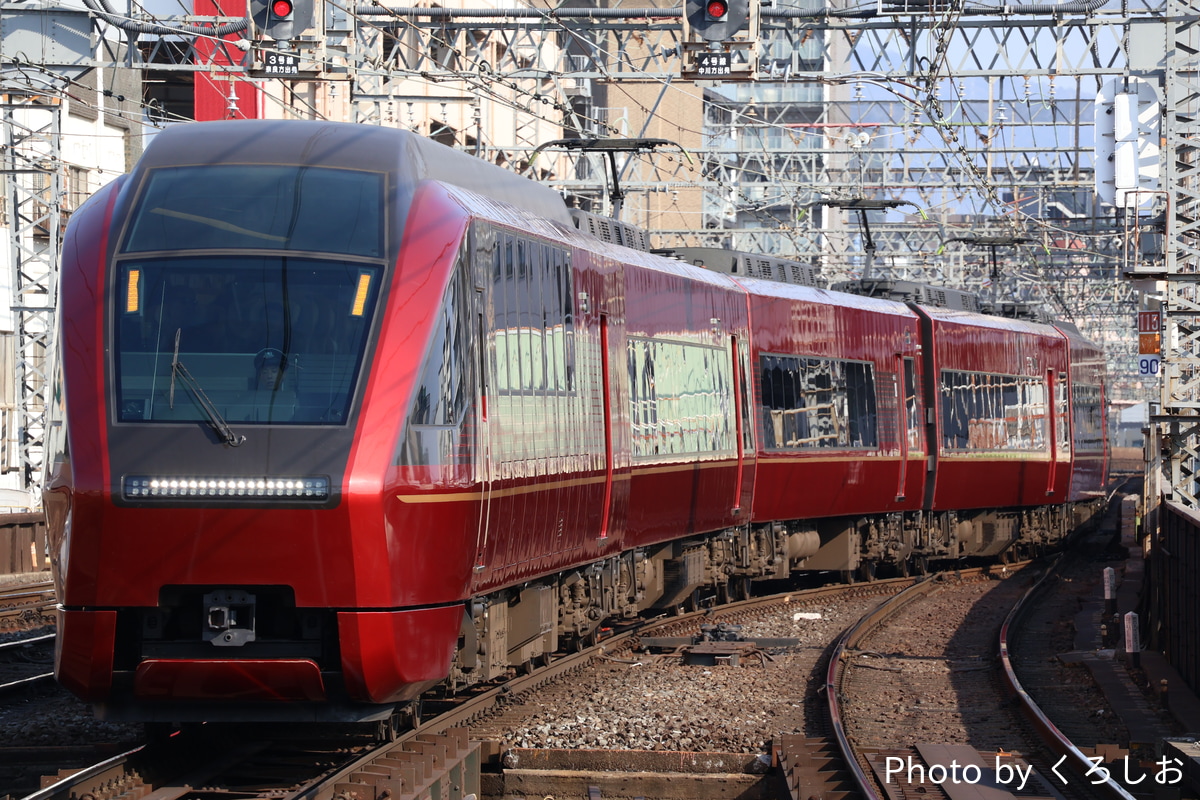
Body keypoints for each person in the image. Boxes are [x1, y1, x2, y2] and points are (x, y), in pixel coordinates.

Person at [232, 348, 298, 421]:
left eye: (274, 371)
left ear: (284, 374)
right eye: (264, 372)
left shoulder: (294, 401)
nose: (269, 376)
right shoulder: (251, 400)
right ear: (259, 376)